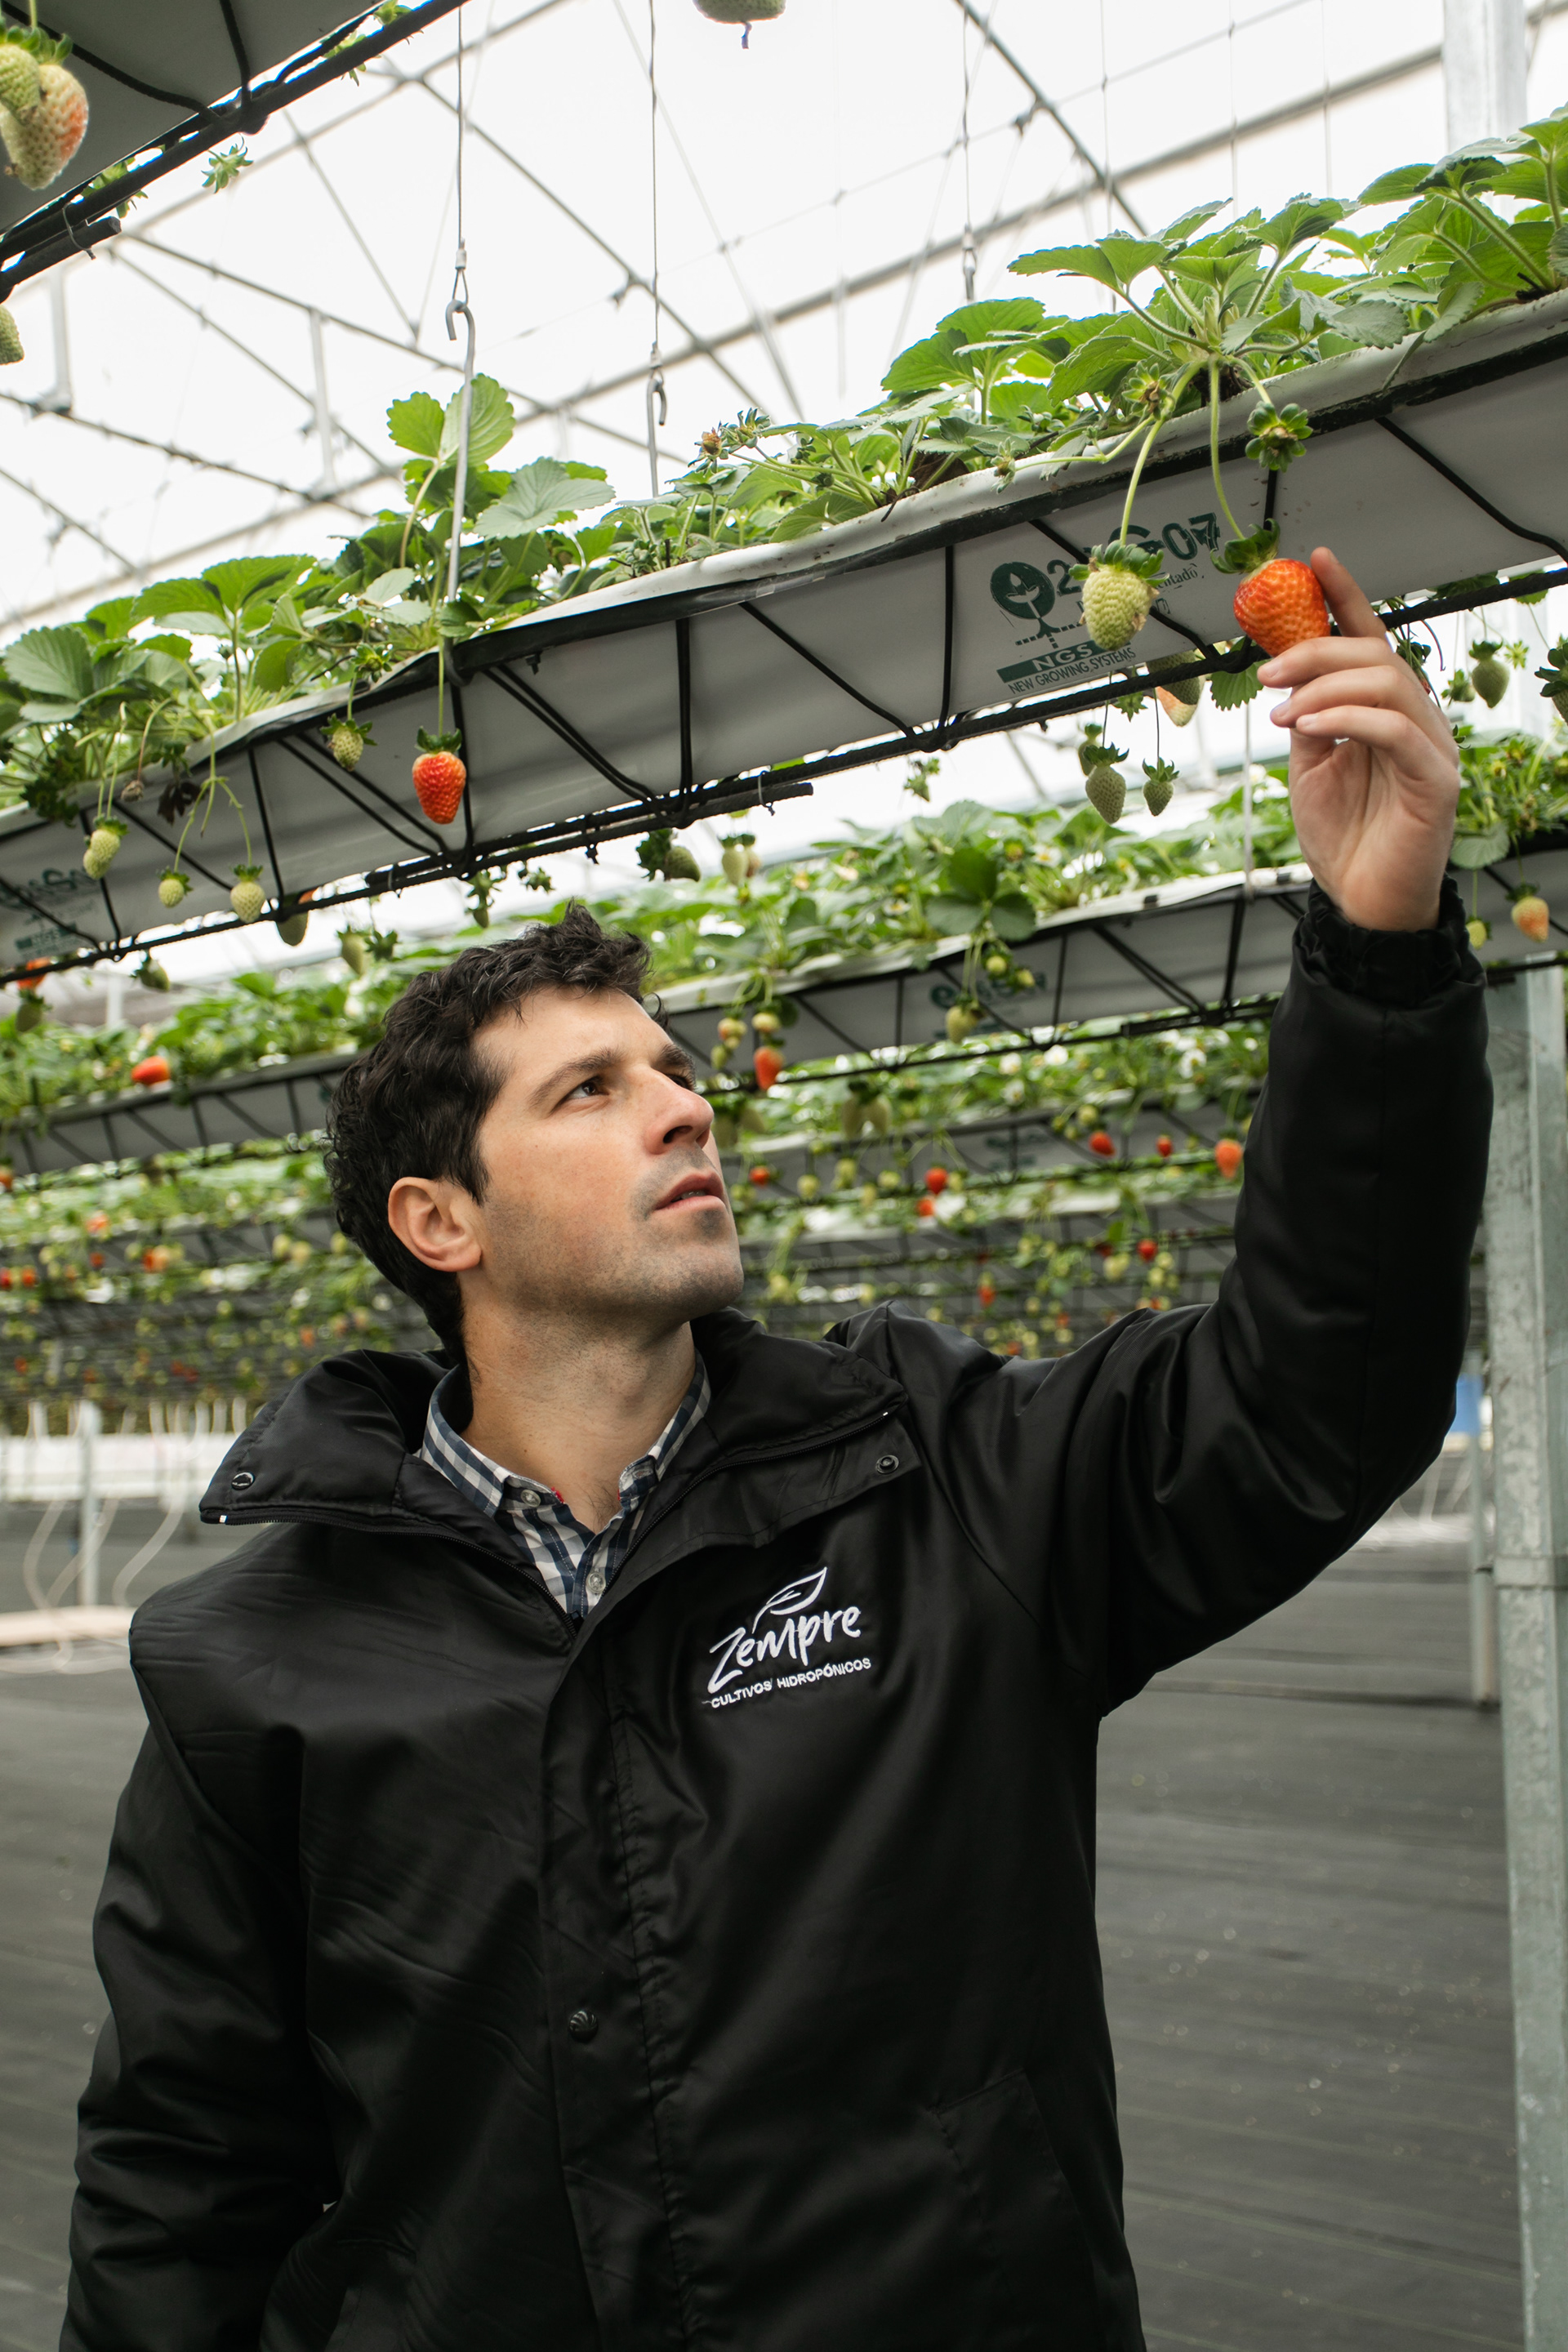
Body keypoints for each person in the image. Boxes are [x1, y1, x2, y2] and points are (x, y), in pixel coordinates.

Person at [61, 550, 1489, 2352]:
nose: (683, 1106)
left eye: (673, 1070)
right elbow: (185, 2166)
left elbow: (1310, 1402)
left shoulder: (943, 1480)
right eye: (592, 1090)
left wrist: (1375, 946)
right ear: (441, 1220)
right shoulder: (251, 1660)